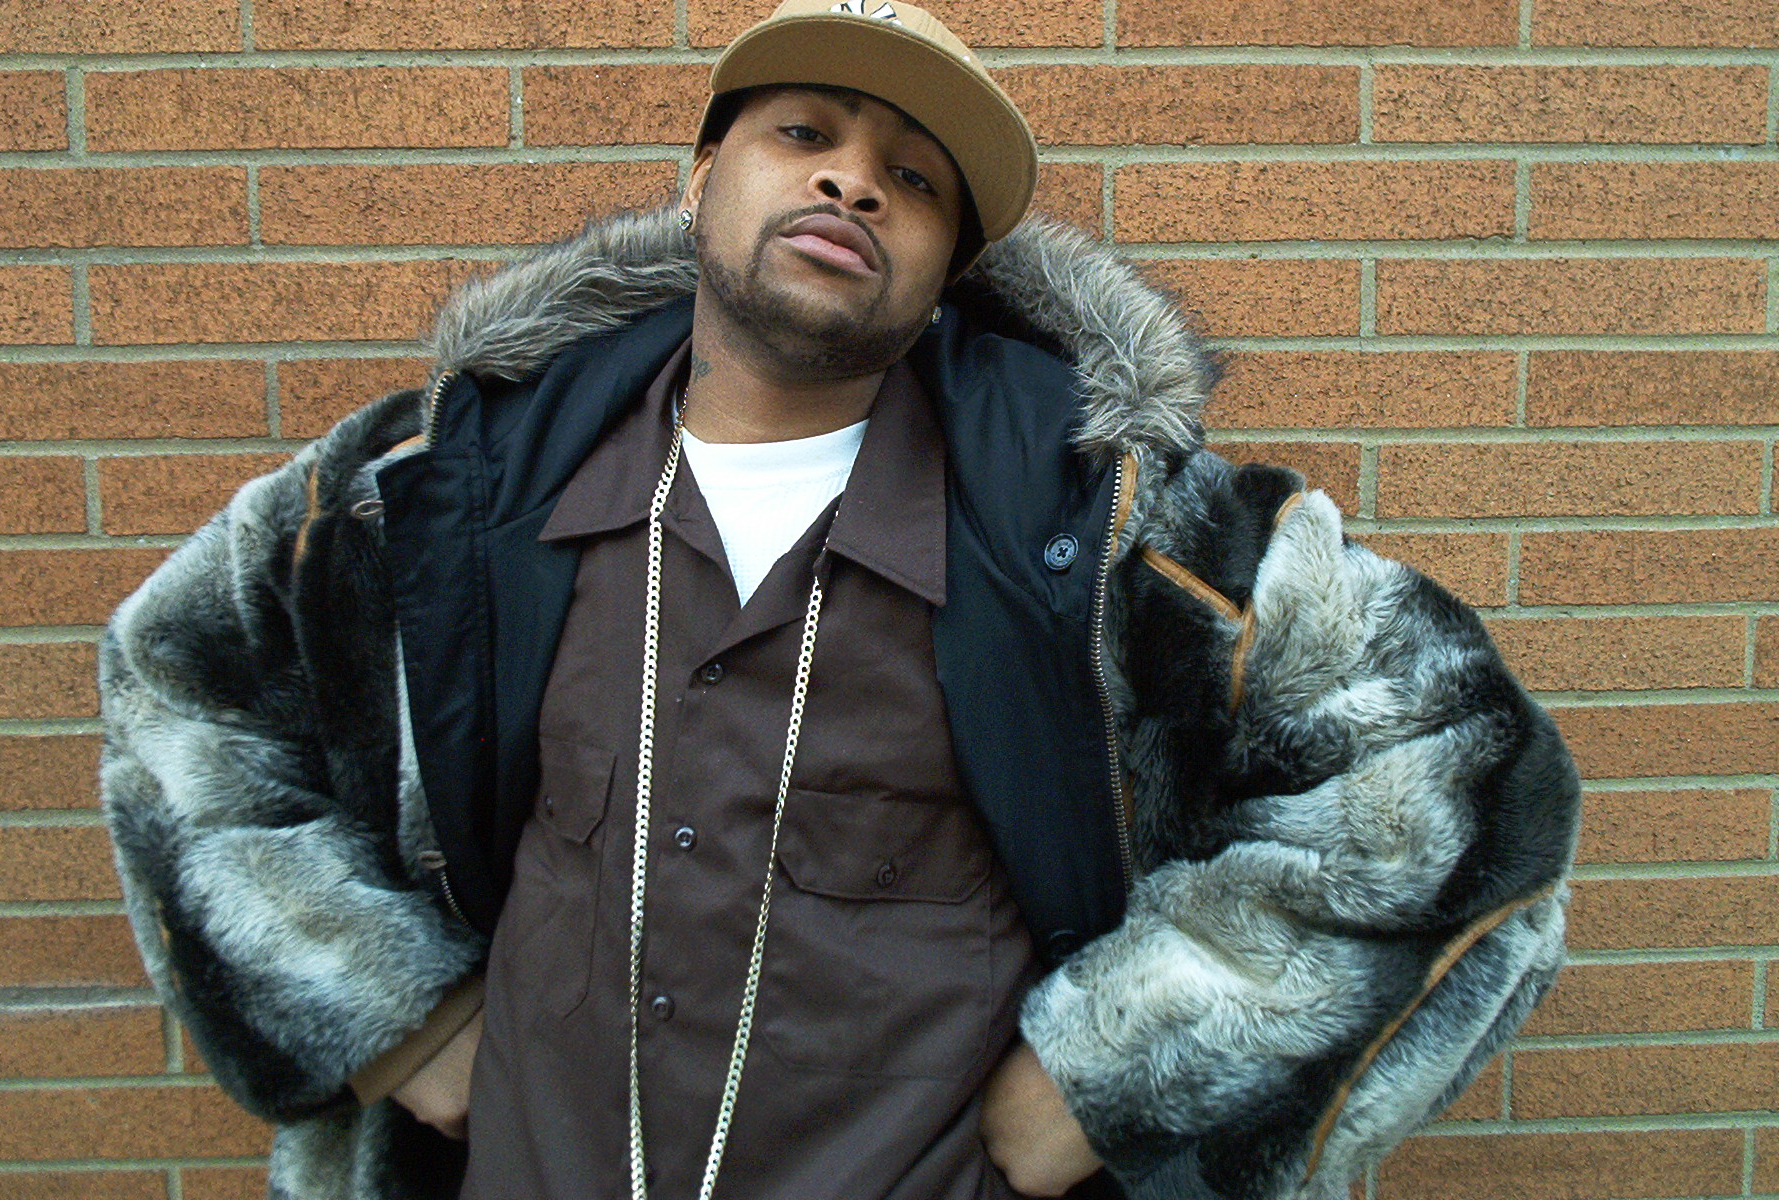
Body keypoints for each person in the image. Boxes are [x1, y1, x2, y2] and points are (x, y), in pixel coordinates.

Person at [97, 3, 1581, 1198]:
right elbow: (182, 687)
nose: (853, 180)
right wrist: (382, 1009)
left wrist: (1115, 1077)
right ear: (700, 181)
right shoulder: (444, 487)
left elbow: (1458, 775)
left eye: (914, 178)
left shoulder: (1113, 527)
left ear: (946, 272)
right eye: (804, 132)